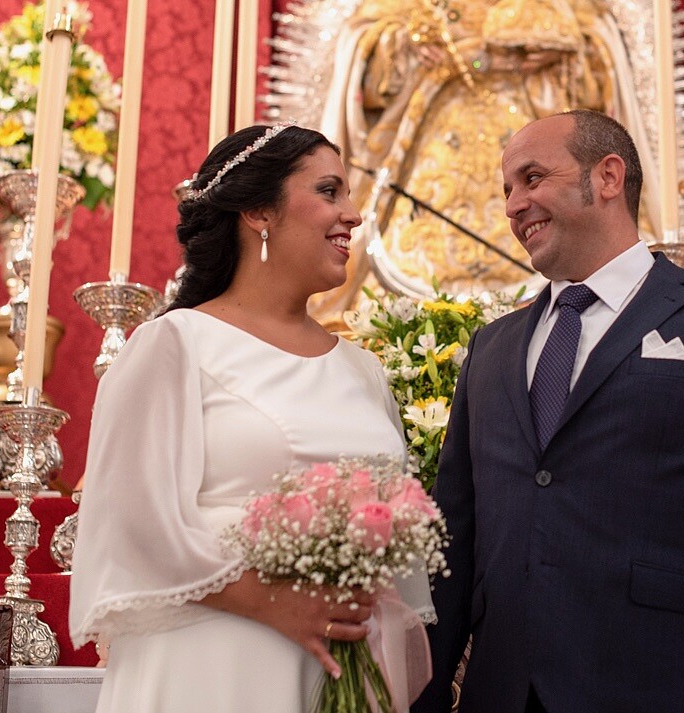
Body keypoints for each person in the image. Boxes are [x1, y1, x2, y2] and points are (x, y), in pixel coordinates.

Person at [414, 110, 684, 713]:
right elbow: (452, 546)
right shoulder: (491, 348)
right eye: (507, 189)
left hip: (673, 685)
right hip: (504, 694)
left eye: (531, 178)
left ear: (607, 176)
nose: (513, 205)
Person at [69, 123, 431, 711]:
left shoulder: (361, 370)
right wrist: (274, 602)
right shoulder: (175, 345)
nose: (354, 214)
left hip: (343, 668)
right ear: (259, 210)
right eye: (330, 192)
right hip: (214, 663)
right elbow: (132, 520)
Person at [320, 0, 653, 303]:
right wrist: (407, 43)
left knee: (536, 182)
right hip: (442, 106)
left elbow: (585, 30)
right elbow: (369, 31)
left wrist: (553, 49)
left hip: (521, 106)